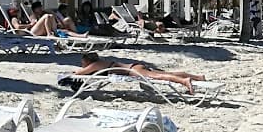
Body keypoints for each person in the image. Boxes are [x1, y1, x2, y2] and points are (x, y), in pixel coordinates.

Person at [72, 51, 208, 95]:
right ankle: (197, 77)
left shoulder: (95, 65)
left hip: (133, 71)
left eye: (83, 62)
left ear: (87, 61)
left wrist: (76, 71)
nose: (82, 64)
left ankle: (185, 81)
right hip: (134, 67)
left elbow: (80, 73)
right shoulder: (101, 62)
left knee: (159, 76)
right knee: (166, 72)